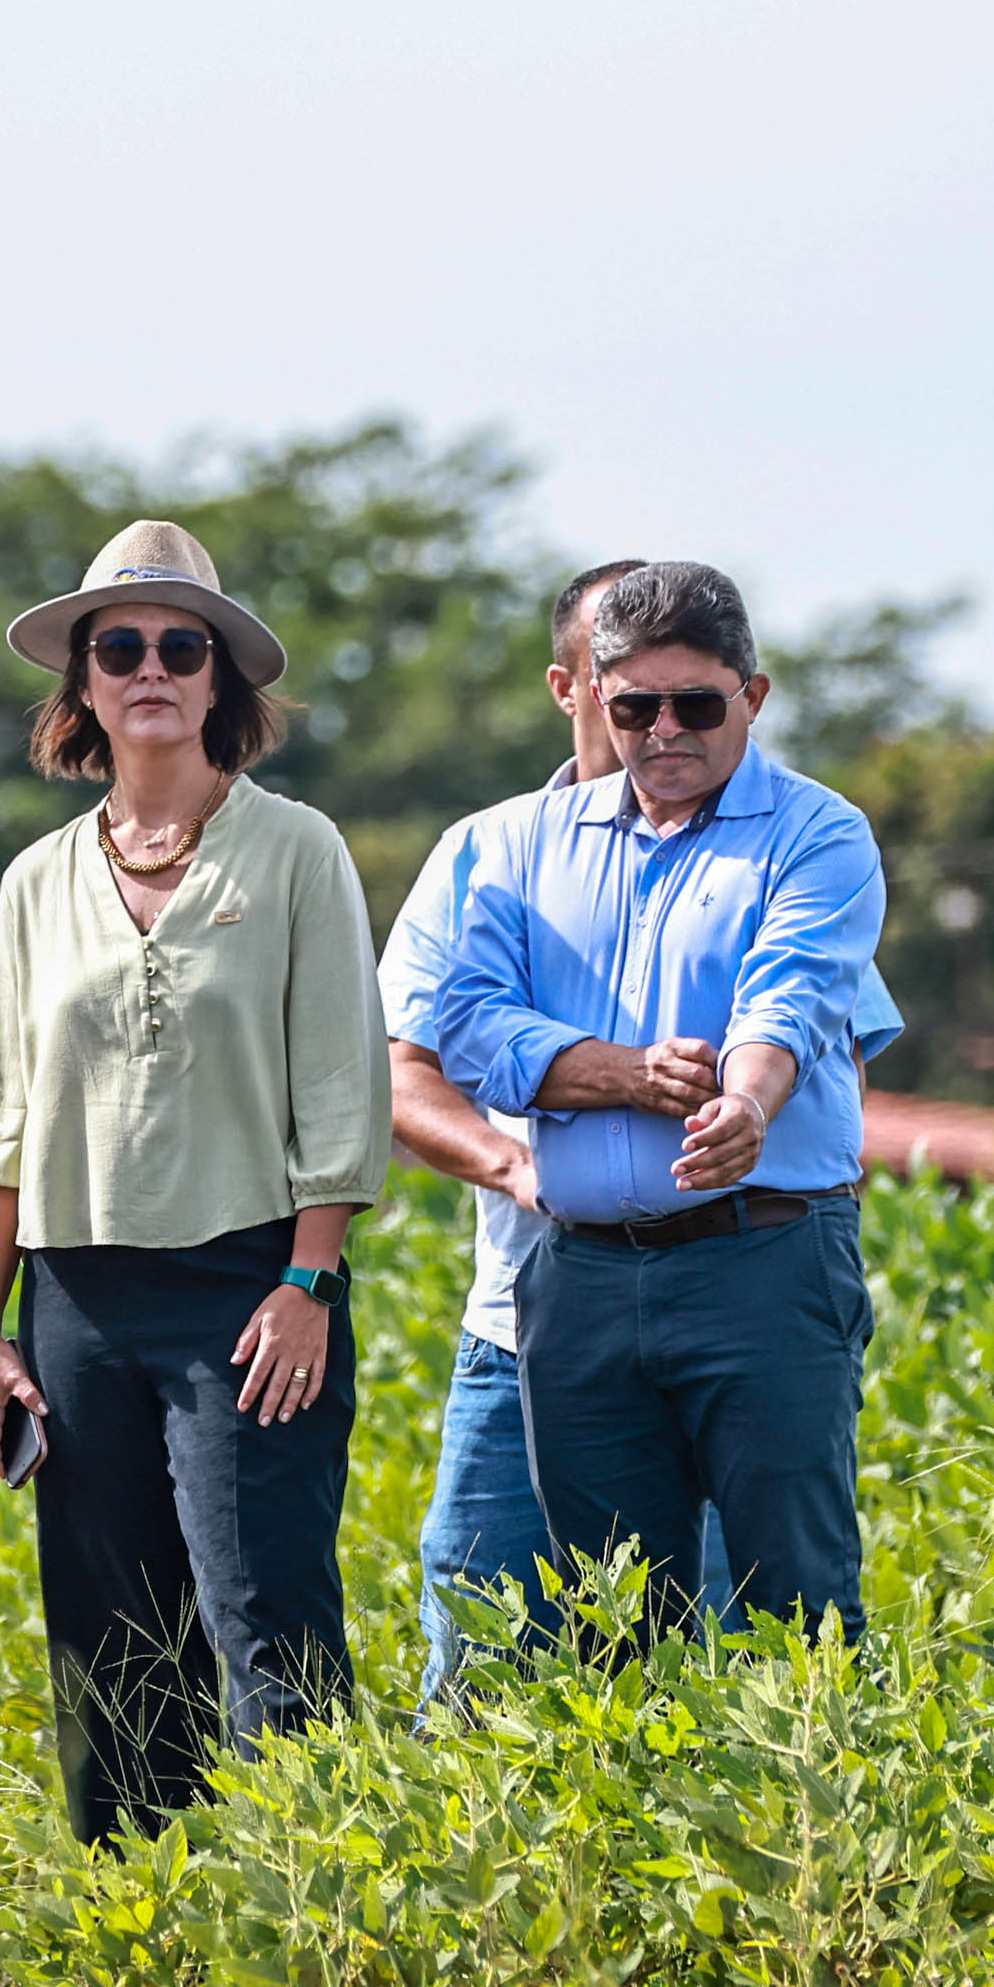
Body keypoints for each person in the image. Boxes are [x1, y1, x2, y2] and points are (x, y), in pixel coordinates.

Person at [0, 522, 393, 1840]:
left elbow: (342, 1088)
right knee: (109, 1624)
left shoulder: (298, 850)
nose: (151, 667)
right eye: (121, 647)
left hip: (251, 1283)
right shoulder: (38, 880)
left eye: (179, 646)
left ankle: (313, 1907)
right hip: (76, 1293)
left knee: (263, 1609)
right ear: (83, 684)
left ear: (219, 683)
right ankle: (138, 1929)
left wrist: (311, 1279)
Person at [423, 560, 898, 1643]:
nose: (665, 731)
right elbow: (466, 1021)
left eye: (697, 703)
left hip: (762, 1259)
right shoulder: (519, 845)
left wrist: (747, 1102)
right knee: (613, 1617)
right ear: (593, 697)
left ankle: (813, 1815)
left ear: (754, 696)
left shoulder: (819, 835)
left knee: (795, 1597)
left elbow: (793, 993)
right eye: (635, 705)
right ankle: (645, 1816)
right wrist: (606, 1064)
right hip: (579, 1274)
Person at [375, 557, 651, 1699]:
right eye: (621, 685)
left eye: (683, 692)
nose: (653, 719)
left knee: (726, 1671)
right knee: (483, 1664)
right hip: (521, 1320)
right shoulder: (486, 848)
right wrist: (523, 1168)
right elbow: (397, 1074)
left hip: (717, 1311)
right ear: (567, 686)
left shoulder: (774, 843)